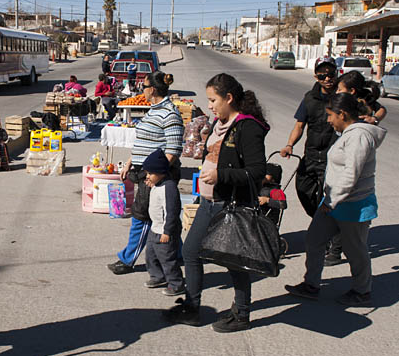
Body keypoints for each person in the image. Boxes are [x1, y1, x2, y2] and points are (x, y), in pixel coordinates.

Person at [163, 73, 268, 332]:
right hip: (209, 201)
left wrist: (222, 175)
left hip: (229, 204)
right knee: (190, 252)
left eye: (213, 100)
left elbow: (256, 171)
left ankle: (242, 313)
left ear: (229, 98)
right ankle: (192, 308)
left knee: (234, 260)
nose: (209, 105)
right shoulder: (220, 122)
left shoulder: (248, 126)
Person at [285, 92, 386, 307]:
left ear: (343, 114)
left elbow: (352, 174)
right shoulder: (348, 133)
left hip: (352, 204)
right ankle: (311, 285)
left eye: (331, 115)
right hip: (333, 202)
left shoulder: (359, 136)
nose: (329, 121)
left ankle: (362, 291)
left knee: (355, 250)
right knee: (314, 240)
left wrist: (331, 202)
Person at [108, 71, 183, 275]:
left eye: (144, 86)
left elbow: (173, 150)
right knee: (165, 217)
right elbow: (144, 143)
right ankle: (179, 254)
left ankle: (128, 259)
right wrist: (130, 164)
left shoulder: (170, 114)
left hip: (156, 176)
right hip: (144, 172)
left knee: (142, 218)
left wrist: (156, 176)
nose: (142, 90)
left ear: (153, 90)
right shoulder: (153, 111)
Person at [280, 57, 342, 263]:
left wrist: (373, 118)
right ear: (316, 76)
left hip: (334, 158)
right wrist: (289, 145)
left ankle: (334, 245)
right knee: (303, 189)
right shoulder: (309, 98)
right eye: (322, 74)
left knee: (330, 199)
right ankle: (324, 226)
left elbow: (375, 107)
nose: (327, 78)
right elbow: (299, 125)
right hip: (312, 154)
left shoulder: (342, 97)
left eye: (330, 73)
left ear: (336, 73)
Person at [141, 149, 185, 297]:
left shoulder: (169, 187)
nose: (147, 177)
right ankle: (158, 276)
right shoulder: (156, 184)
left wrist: (167, 231)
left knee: (167, 258)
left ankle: (176, 283)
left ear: (160, 172)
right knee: (151, 255)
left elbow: (172, 211)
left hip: (165, 231)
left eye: (150, 174)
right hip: (155, 228)